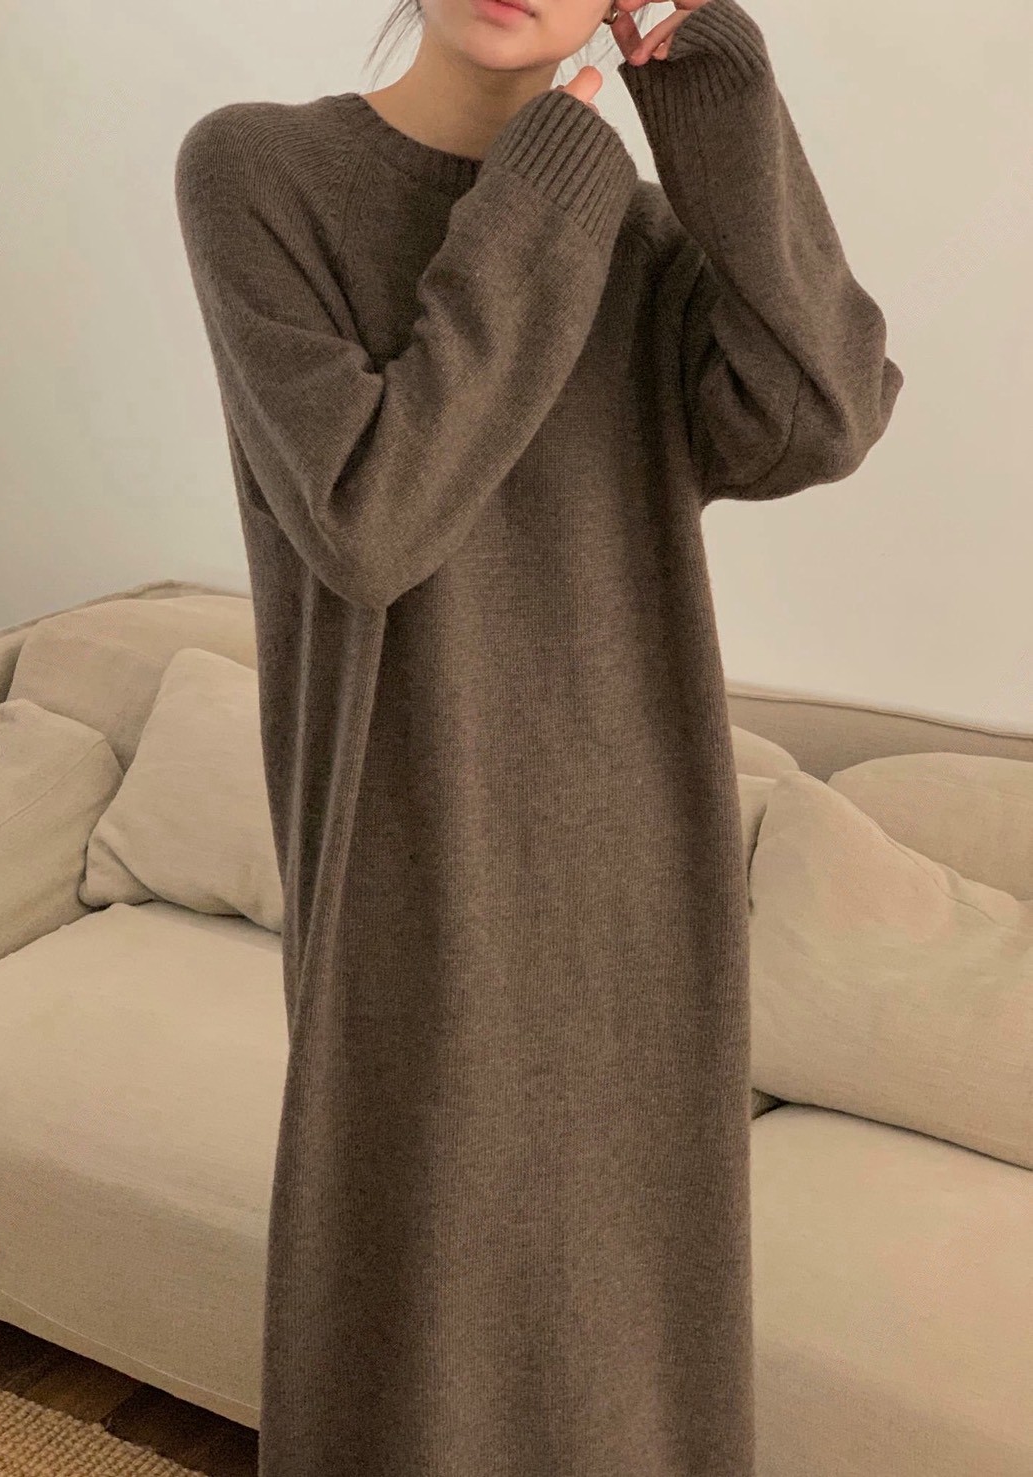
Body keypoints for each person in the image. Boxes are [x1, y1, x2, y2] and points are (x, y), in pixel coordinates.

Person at [174, 0, 903, 1471]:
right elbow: (375, 516)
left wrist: (717, 92)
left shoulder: (638, 242)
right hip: (410, 876)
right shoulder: (257, 172)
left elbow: (820, 413)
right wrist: (560, 179)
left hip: (638, 883)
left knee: (627, 1368)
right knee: (407, 1357)